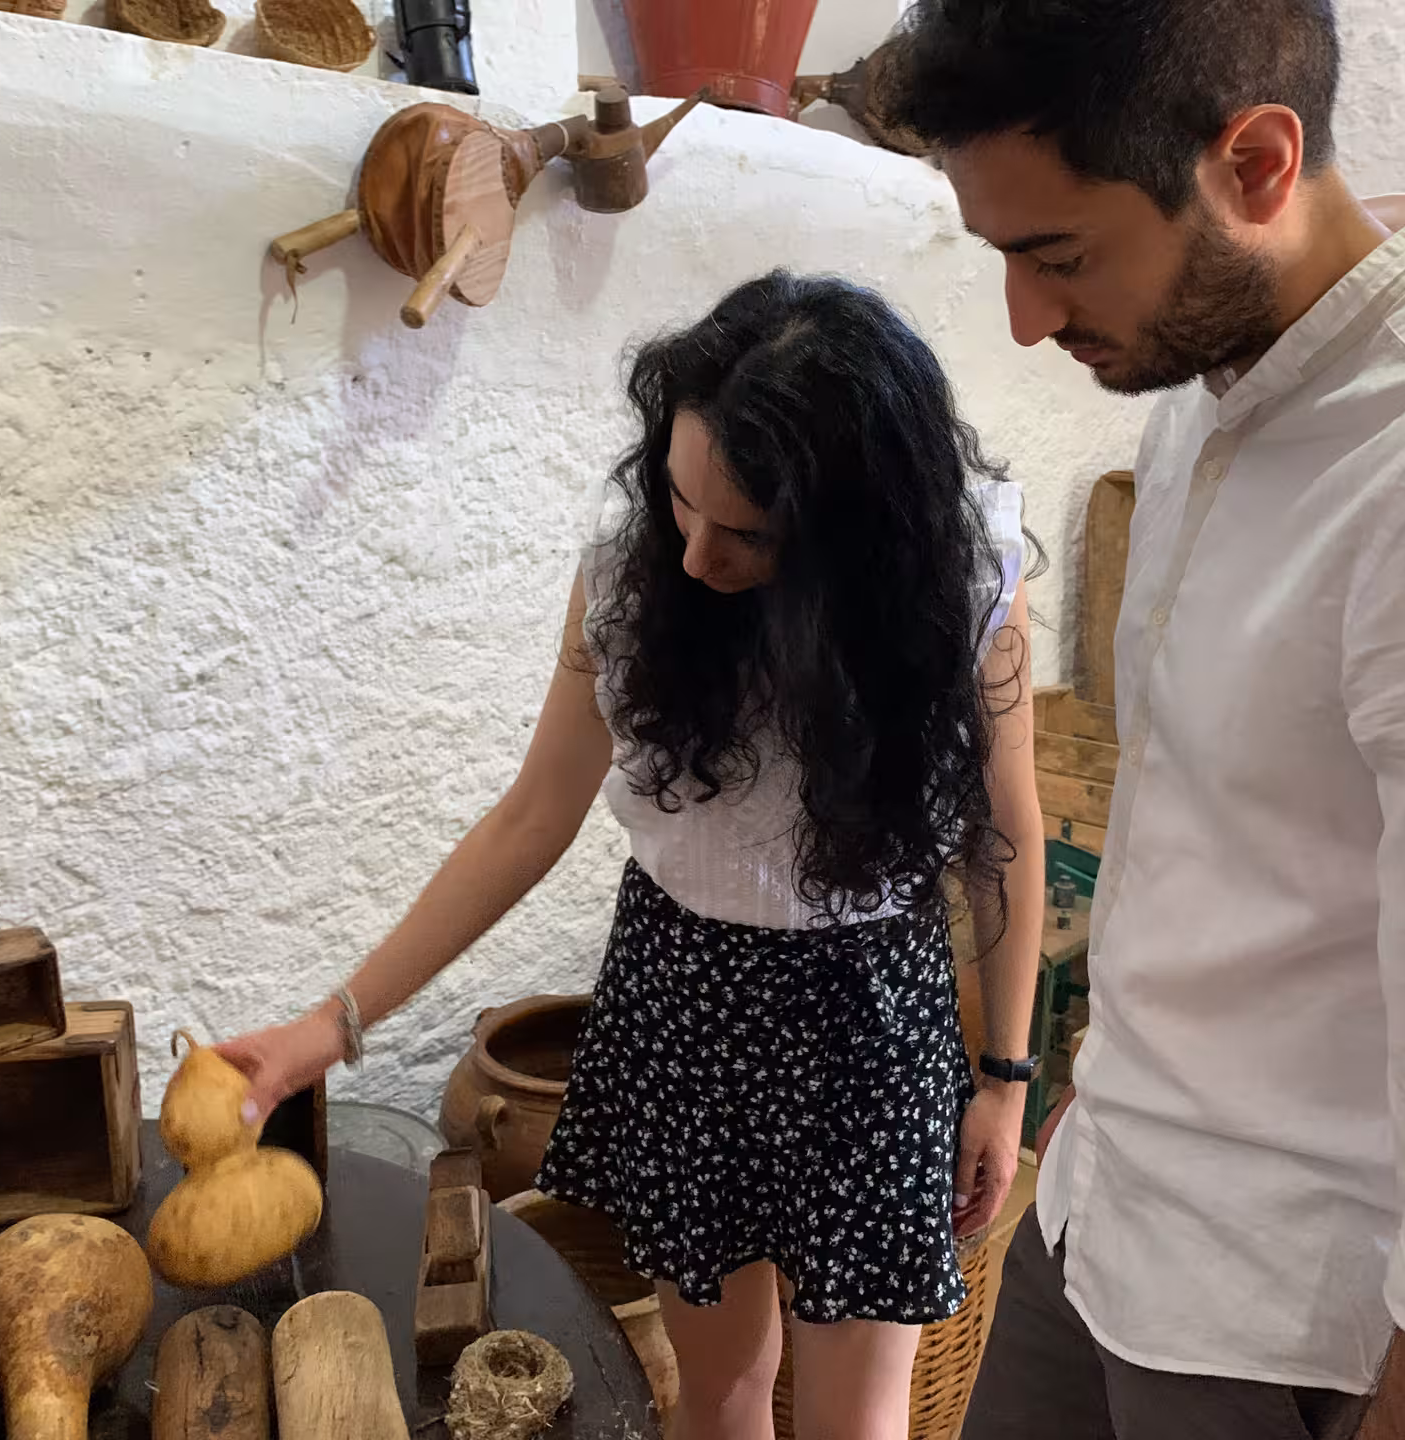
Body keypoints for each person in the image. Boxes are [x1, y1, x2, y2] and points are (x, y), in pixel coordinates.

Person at [883, 2, 1405, 1438]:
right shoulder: (1207, 387)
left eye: (1057, 256)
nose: (1025, 319)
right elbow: (1220, 825)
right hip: (1113, 1198)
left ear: (1254, 161)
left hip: (1290, 1316)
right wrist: (1105, 1088)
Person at [215, 271, 1048, 1440]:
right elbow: (530, 818)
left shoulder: (954, 590)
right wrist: (331, 1022)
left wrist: (1003, 1082)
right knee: (716, 1395)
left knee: (859, 1423)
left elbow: (1001, 834)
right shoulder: (632, 580)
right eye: (679, 500)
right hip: (682, 1000)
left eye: (748, 534)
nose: (698, 553)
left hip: (870, 1016)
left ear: (853, 538)